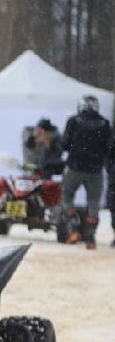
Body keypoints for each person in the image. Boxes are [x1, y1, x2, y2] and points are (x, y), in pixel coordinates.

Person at [61, 95, 112, 249]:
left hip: (74, 167)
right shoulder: (104, 123)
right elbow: (109, 147)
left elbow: (64, 144)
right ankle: (90, 237)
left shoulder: (74, 121)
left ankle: (74, 228)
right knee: (93, 202)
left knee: (66, 195)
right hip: (95, 170)